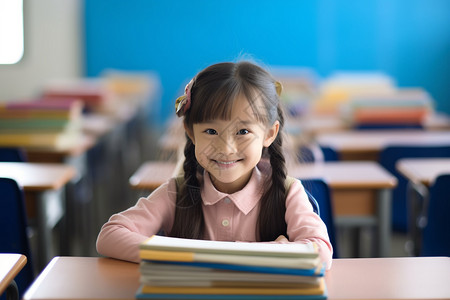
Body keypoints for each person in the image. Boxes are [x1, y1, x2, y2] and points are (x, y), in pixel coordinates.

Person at [96, 61, 333, 269]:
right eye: (211, 131)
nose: (226, 148)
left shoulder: (287, 192)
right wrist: (267, 252)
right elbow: (109, 236)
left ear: (269, 134)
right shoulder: (176, 193)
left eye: (243, 131)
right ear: (190, 132)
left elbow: (320, 252)